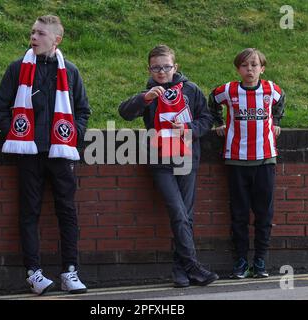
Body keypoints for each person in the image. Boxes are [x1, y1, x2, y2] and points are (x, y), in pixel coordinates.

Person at [0, 15, 91, 295]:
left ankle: (70, 271)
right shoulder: (17, 69)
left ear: (56, 39)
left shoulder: (70, 71)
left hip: (61, 155)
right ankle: (33, 273)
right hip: (29, 155)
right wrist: (17, 136)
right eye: (32, 32)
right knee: (29, 212)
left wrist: (73, 135)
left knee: (67, 212)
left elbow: (83, 110)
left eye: (40, 33)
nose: (33, 37)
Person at [119, 45, 218, 288]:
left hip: (187, 159)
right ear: (149, 69)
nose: (161, 71)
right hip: (160, 160)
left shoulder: (191, 90)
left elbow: (206, 119)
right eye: (156, 68)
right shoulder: (149, 93)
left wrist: (187, 130)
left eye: (166, 66)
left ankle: (181, 271)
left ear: (176, 67)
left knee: (186, 216)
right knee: (178, 212)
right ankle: (193, 267)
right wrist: (145, 98)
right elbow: (125, 113)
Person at [208, 48, 285, 279]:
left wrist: (277, 121)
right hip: (236, 160)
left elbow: (281, 102)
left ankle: (260, 261)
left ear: (262, 68)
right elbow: (212, 100)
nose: (249, 69)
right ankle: (241, 262)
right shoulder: (228, 90)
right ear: (238, 69)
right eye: (244, 65)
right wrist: (218, 122)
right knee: (239, 215)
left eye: (254, 65)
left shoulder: (271, 89)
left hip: (265, 160)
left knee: (264, 214)